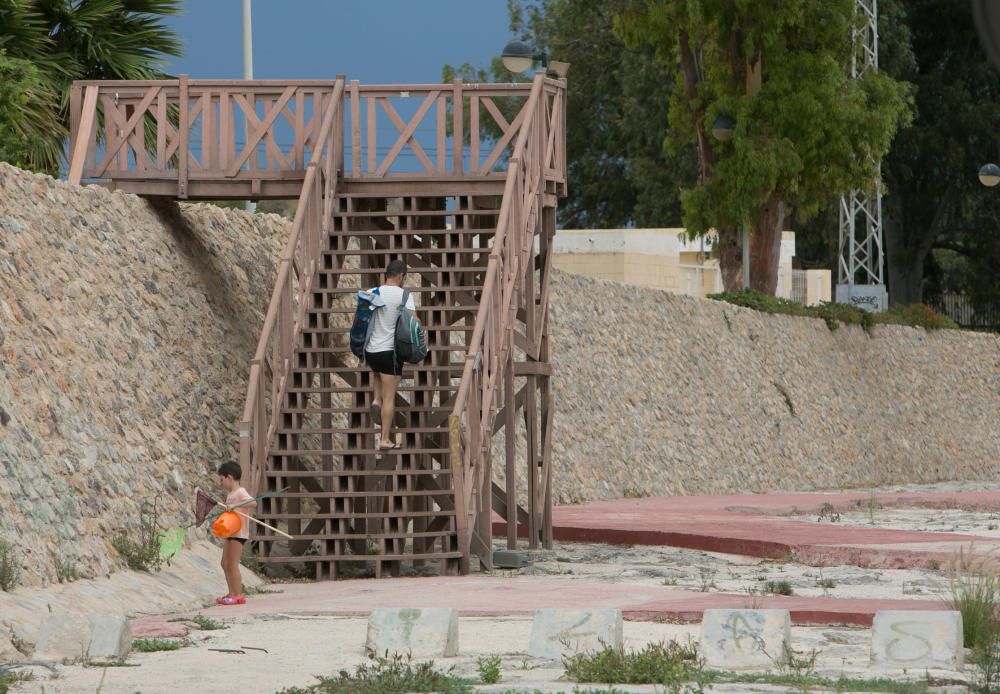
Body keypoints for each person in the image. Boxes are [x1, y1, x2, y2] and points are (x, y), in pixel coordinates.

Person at [365, 258, 418, 450]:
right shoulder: (404, 296)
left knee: (378, 374)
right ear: (401, 275)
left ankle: (375, 400)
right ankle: (385, 439)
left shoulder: (373, 293)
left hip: (371, 351)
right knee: (390, 397)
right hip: (389, 353)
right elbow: (414, 323)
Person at [216, 462, 255, 606]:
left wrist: (236, 506)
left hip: (239, 534)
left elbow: (252, 503)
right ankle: (231, 593)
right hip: (230, 532)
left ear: (230, 477)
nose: (221, 483)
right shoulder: (230, 495)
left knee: (232, 564)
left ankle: (238, 595)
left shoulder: (240, 492)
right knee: (224, 563)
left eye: (222, 479)